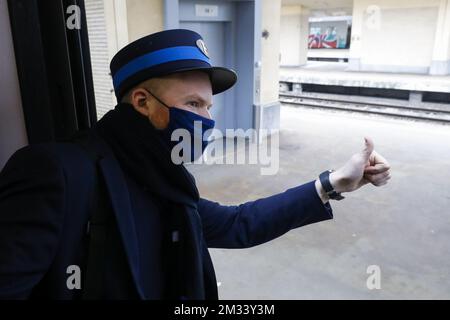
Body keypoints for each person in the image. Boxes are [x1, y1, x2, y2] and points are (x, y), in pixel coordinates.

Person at [0, 29, 391, 299]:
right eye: (192, 105)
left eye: (208, 107)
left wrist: (334, 182)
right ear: (141, 102)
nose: (206, 120)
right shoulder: (56, 172)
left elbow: (239, 224)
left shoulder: (166, 179)